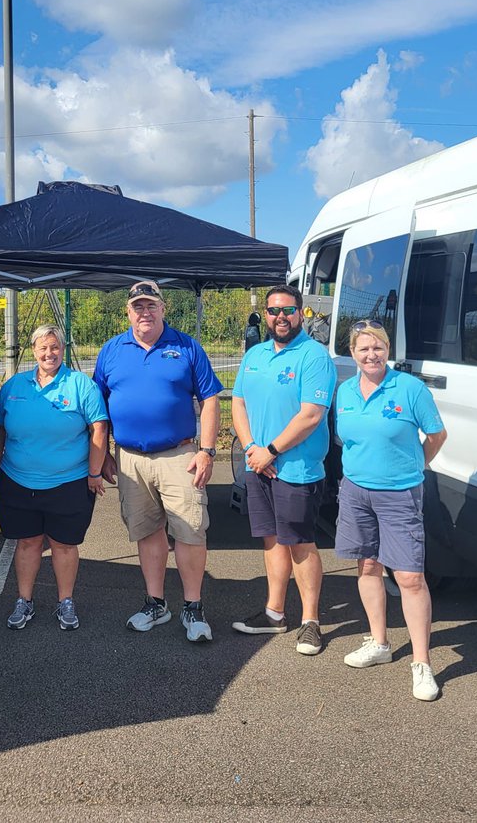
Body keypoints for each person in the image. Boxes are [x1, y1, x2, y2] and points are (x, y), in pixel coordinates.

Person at [93, 280, 223, 643]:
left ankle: (193, 607)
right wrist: (102, 455)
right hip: (131, 458)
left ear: (163, 308)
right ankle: (156, 603)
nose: (144, 312)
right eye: (138, 306)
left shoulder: (186, 346)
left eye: (151, 305)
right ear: (128, 312)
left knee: (190, 531)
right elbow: (98, 406)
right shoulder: (112, 350)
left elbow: (210, 399)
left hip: (180, 455)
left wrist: (208, 450)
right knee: (147, 532)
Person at [333, 319, 447, 701]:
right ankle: (379, 644)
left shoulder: (410, 389)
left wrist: (415, 468)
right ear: (353, 353)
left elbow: (436, 436)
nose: (371, 355)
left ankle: (421, 663)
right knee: (367, 567)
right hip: (355, 492)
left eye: (378, 348)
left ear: (388, 351)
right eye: (363, 349)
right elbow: (346, 440)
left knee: (410, 578)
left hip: (399, 495)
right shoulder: (345, 391)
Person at [230, 286, 336, 656]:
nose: (280, 317)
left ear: (300, 313)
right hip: (258, 464)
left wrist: (271, 451)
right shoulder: (255, 354)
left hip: (296, 468)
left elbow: (310, 415)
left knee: (300, 543)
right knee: (272, 539)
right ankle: (275, 613)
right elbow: (238, 403)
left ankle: (310, 621)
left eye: (287, 310)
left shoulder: (313, 356)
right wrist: (251, 450)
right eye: (273, 311)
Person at [0, 324, 109, 631]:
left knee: (64, 545)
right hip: (17, 481)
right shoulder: (14, 386)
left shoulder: (80, 385)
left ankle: (66, 602)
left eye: (55, 347)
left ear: (63, 350)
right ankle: (24, 600)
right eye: (43, 348)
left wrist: (95, 473)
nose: (49, 353)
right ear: (33, 350)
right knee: (28, 543)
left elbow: (98, 428)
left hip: (69, 482)